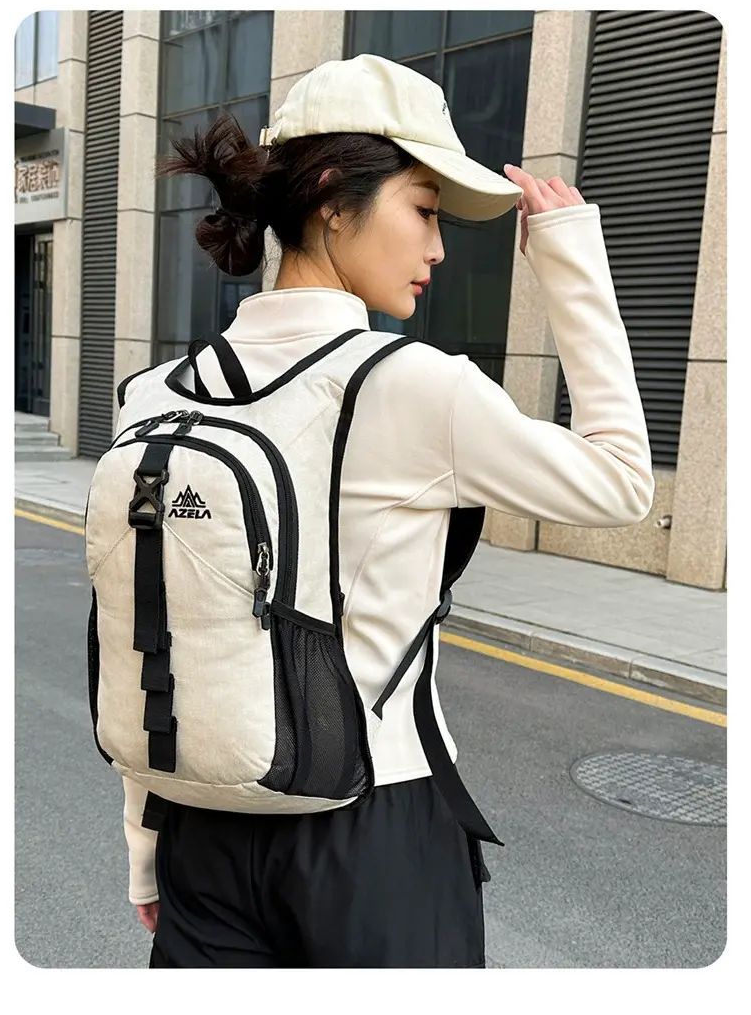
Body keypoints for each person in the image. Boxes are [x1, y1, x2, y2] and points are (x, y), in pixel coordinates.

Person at [120, 53, 654, 968]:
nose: (438, 249)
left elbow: (154, 635)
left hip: (200, 828)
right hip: (375, 826)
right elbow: (621, 480)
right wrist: (570, 261)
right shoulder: (412, 385)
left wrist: (146, 850)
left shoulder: (156, 394)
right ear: (334, 198)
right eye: (425, 210)